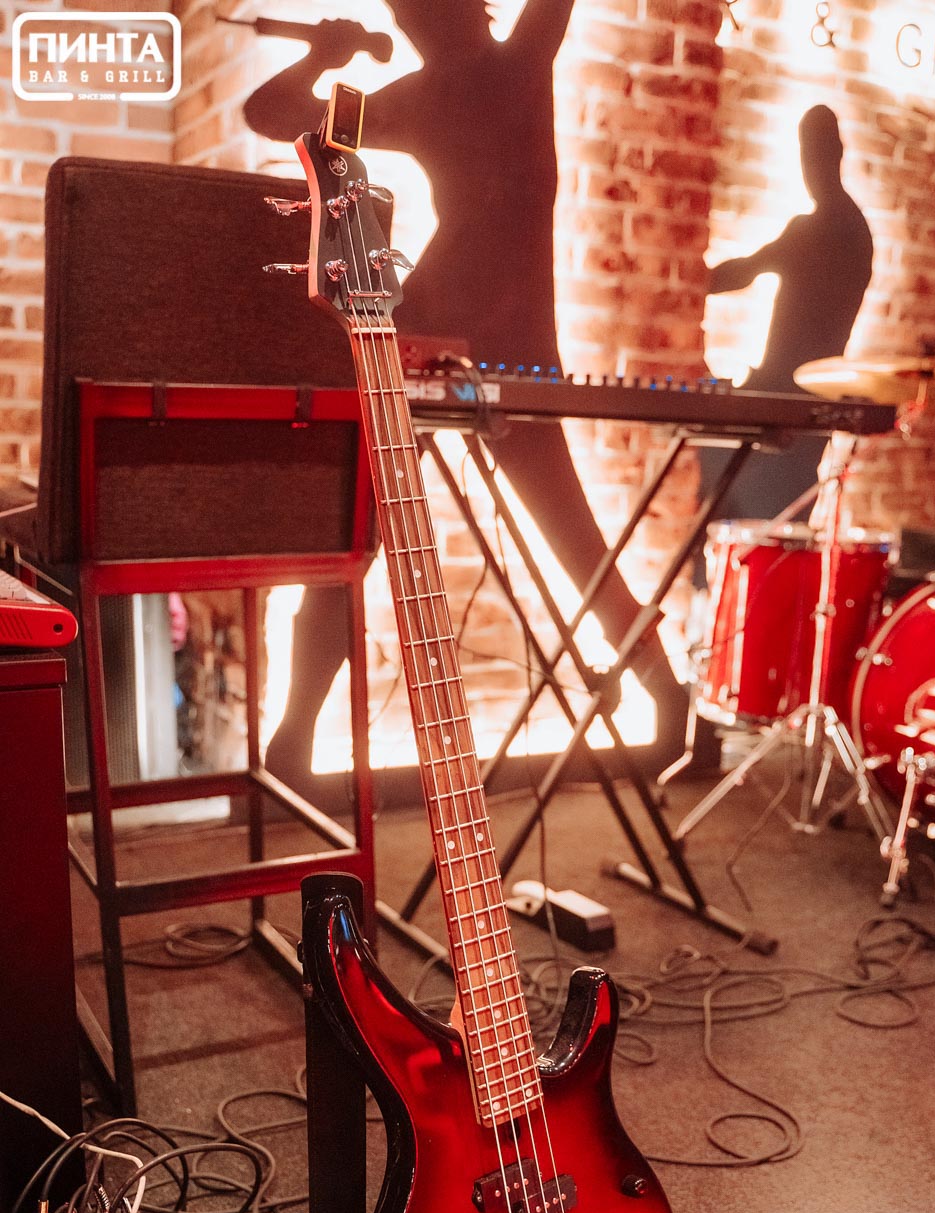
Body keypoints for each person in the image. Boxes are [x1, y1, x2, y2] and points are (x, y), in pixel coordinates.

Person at [247, 0, 692, 799]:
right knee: (366, 534)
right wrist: (323, 58)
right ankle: (293, 741)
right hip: (446, 343)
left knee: (388, 537)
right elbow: (272, 114)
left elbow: (274, 113)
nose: (408, 22)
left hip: (476, 345)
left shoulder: (502, 68)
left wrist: (325, 60)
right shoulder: (446, 88)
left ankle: (665, 694)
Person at [699, 104, 874, 540]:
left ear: (832, 155)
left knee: (726, 498)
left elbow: (741, 273)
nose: (808, 167)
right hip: (812, 402)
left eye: (811, 153)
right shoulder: (859, 231)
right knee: (780, 534)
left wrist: (684, 276)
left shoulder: (815, 229)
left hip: (780, 400)